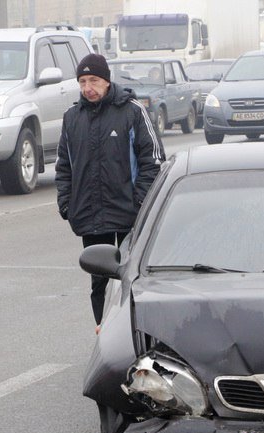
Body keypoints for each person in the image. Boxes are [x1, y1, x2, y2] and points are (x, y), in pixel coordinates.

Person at [56, 53, 164, 332]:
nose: (87, 87)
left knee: (131, 277)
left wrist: (140, 202)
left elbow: (152, 160)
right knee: (98, 280)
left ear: (106, 81)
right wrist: (66, 203)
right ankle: (103, 330)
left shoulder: (131, 111)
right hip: (90, 216)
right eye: (82, 81)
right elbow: (64, 166)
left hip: (129, 215)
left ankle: (133, 332)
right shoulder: (72, 118)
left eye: (93, 80)